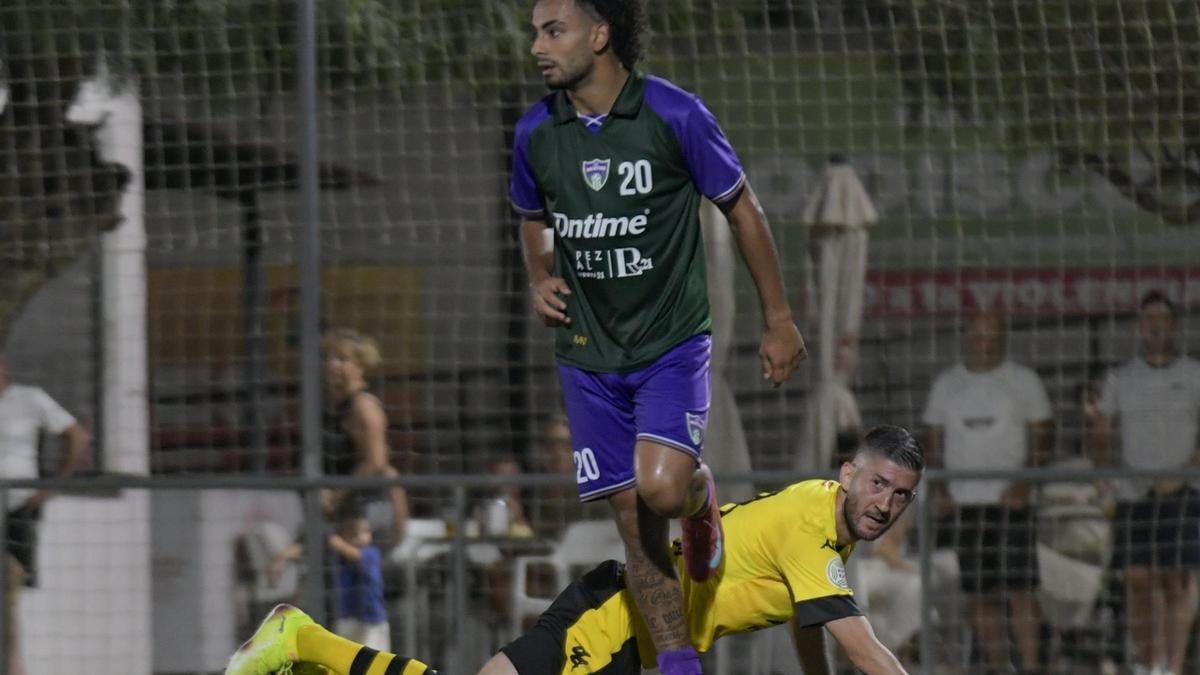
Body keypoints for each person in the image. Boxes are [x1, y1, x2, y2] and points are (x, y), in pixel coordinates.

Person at [510, 2, 806, 672]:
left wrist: (779, 316)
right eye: (535, 31)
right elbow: (531, 215)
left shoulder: (675, 115)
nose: (537, 47)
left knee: (663, 491)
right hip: (587, 356)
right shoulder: (535, 131)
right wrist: (538, 273)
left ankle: (701, 495)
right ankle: (677, 661)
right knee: (629, 514)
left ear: (601, 34)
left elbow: (742, 207)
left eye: (552, 31)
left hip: (670, 342)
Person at [226, 425, 922, 675]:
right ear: (847, 474)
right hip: (613, 624)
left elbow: (814, 623)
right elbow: (863, 647)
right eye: (878, 484)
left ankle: (308, 645)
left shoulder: (828, 529)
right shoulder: (812, 524)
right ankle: (304, 639)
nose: (886, 504)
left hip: (625, 623)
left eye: (900, 496)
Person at [922, 310, 1054, 675]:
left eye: (993, 335)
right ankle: (999, 667)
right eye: (979, 335)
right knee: (978, 595)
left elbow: (1043, 434)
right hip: (963, 506)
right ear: (966, 336)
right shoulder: (947, 385)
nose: (986, 343)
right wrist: (941, 488)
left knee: (1021, 590)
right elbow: (933, 441)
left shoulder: (1023, 381)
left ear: (1004, 338)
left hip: (1010, 503)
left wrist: (1025, 481)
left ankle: (1032, 666)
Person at [1085, 291, 1200, 675]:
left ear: (1176, 326)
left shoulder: (1194, 374)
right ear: (1139, 328)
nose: (1157, 327)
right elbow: (1100, 435)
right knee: (1137, 579)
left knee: (1178, 582)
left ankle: (1174, 666)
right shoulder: (1121, 377)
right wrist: (1104, 472)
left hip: (1185, 492)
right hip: (1135, 494)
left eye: (1164, 320)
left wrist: (1183, 471)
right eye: (1149, 320)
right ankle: (1149, 664)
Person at [0, 354, 90, 675]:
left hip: (16, 511)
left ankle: (13, 665)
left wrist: (51, 486)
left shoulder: (29, 399)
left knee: (8, 595)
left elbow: (77, 437)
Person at [322, 329, 409, 549]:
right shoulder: (336, 409)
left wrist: (337, 496)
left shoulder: (364, 407)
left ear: (359, 367)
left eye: (342, 359)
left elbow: (376, 463)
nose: (333, 365)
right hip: (350, 512)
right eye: (331, 358)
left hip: (371, 510)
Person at [328, 502, 391, 651]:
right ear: (344, 537)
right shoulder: (339, 557)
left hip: (372, 621)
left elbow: (355, 556)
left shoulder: (371, 553)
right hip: (348, 618)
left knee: (374, 664)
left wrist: (332, 540)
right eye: (355, 534)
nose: (362, 538)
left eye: (365, 532)